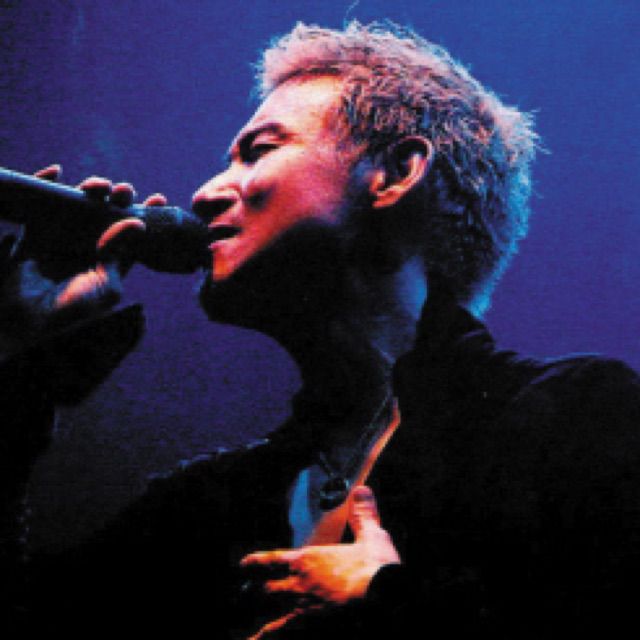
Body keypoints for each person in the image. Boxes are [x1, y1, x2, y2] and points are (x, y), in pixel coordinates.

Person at [1, 21, 639, 639]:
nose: (204, 193)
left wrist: (389, 602)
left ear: (395, 173)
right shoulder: (207, 505)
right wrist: (19, 367)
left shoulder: (572, 417)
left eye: (259, 150)